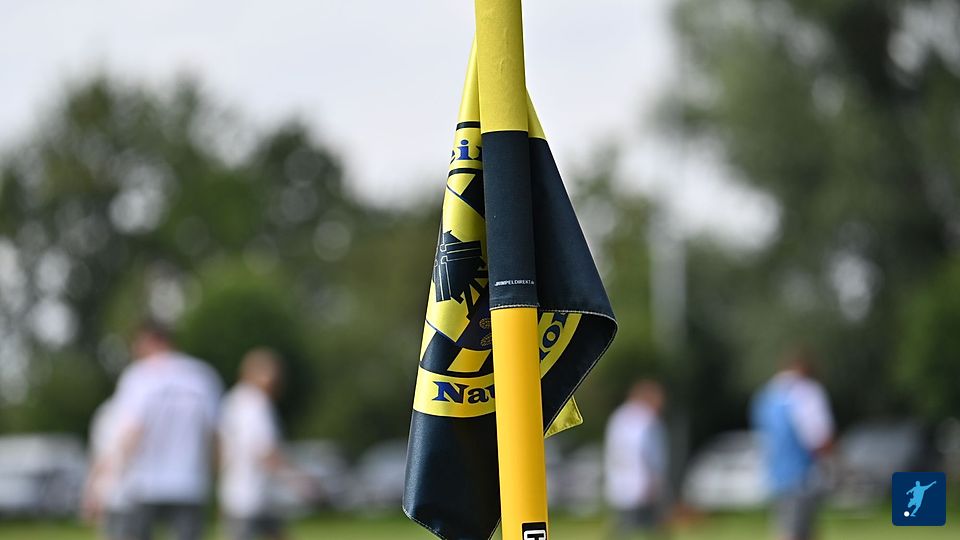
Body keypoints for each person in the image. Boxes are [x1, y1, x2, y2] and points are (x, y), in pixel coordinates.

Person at [111, 322, 223, 540]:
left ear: (150, 340)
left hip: (144, 482)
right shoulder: (202, 375)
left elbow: (132, 432)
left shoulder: (138, 376)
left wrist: (118, 473)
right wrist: (217, 479)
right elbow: (214, 436)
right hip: (190, 481)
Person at [751, 347, 834, 540]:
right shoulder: (805, 392)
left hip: (775, 474)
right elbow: (819, 436)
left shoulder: (765, 395)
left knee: (786, 527)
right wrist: (836, 460)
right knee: (799, 531)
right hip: (802, 474)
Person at [219, 348, 297, 540]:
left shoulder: (233, 400)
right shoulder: (256, 403)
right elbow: (265, 450)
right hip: (254, 492)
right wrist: (295, 479)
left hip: (236, 492)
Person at [604, 380, 669, 538]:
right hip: (641, 482)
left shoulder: (619, 416)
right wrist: (653, 481)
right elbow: (647, 453)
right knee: (646, 525)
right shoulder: (646, 419)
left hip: (621, 482)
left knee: (627, 524)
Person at [83, 397, 133, 540]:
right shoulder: (110, 412)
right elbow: (101, 457)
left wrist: (90, 491)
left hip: (115, 492)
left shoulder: (107, 412)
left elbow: (100, 457)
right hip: (121, 491)